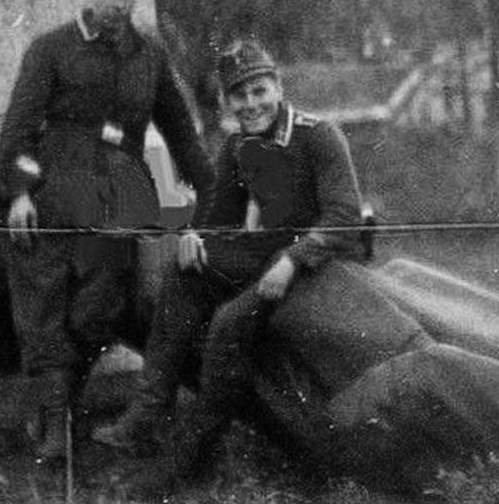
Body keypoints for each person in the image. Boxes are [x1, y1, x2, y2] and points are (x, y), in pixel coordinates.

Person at [95, 37, 366, 465]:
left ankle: (194, 452)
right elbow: (218, 213)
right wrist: (195, 236)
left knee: (227, 324)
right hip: (270, 253)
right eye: (239, 95)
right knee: (184, 272)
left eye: (260, 90)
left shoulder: (318, 135)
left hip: (323, 263)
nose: (251, 104)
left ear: (278, 88)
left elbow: (345, 215)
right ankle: (151, 406)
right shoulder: (239, 145)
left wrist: (294, 260)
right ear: (227, 101)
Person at [0, 0, 213, 464]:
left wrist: (215, 193)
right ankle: (55, 424)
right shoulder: (50, 49)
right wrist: (19, 193)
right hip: (55, 192)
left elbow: (181, 133)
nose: (119, 2)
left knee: (102, 309)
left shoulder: (149, 56)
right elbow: (19, 128)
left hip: (118, 198)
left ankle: (56, 409)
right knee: (45, 303)